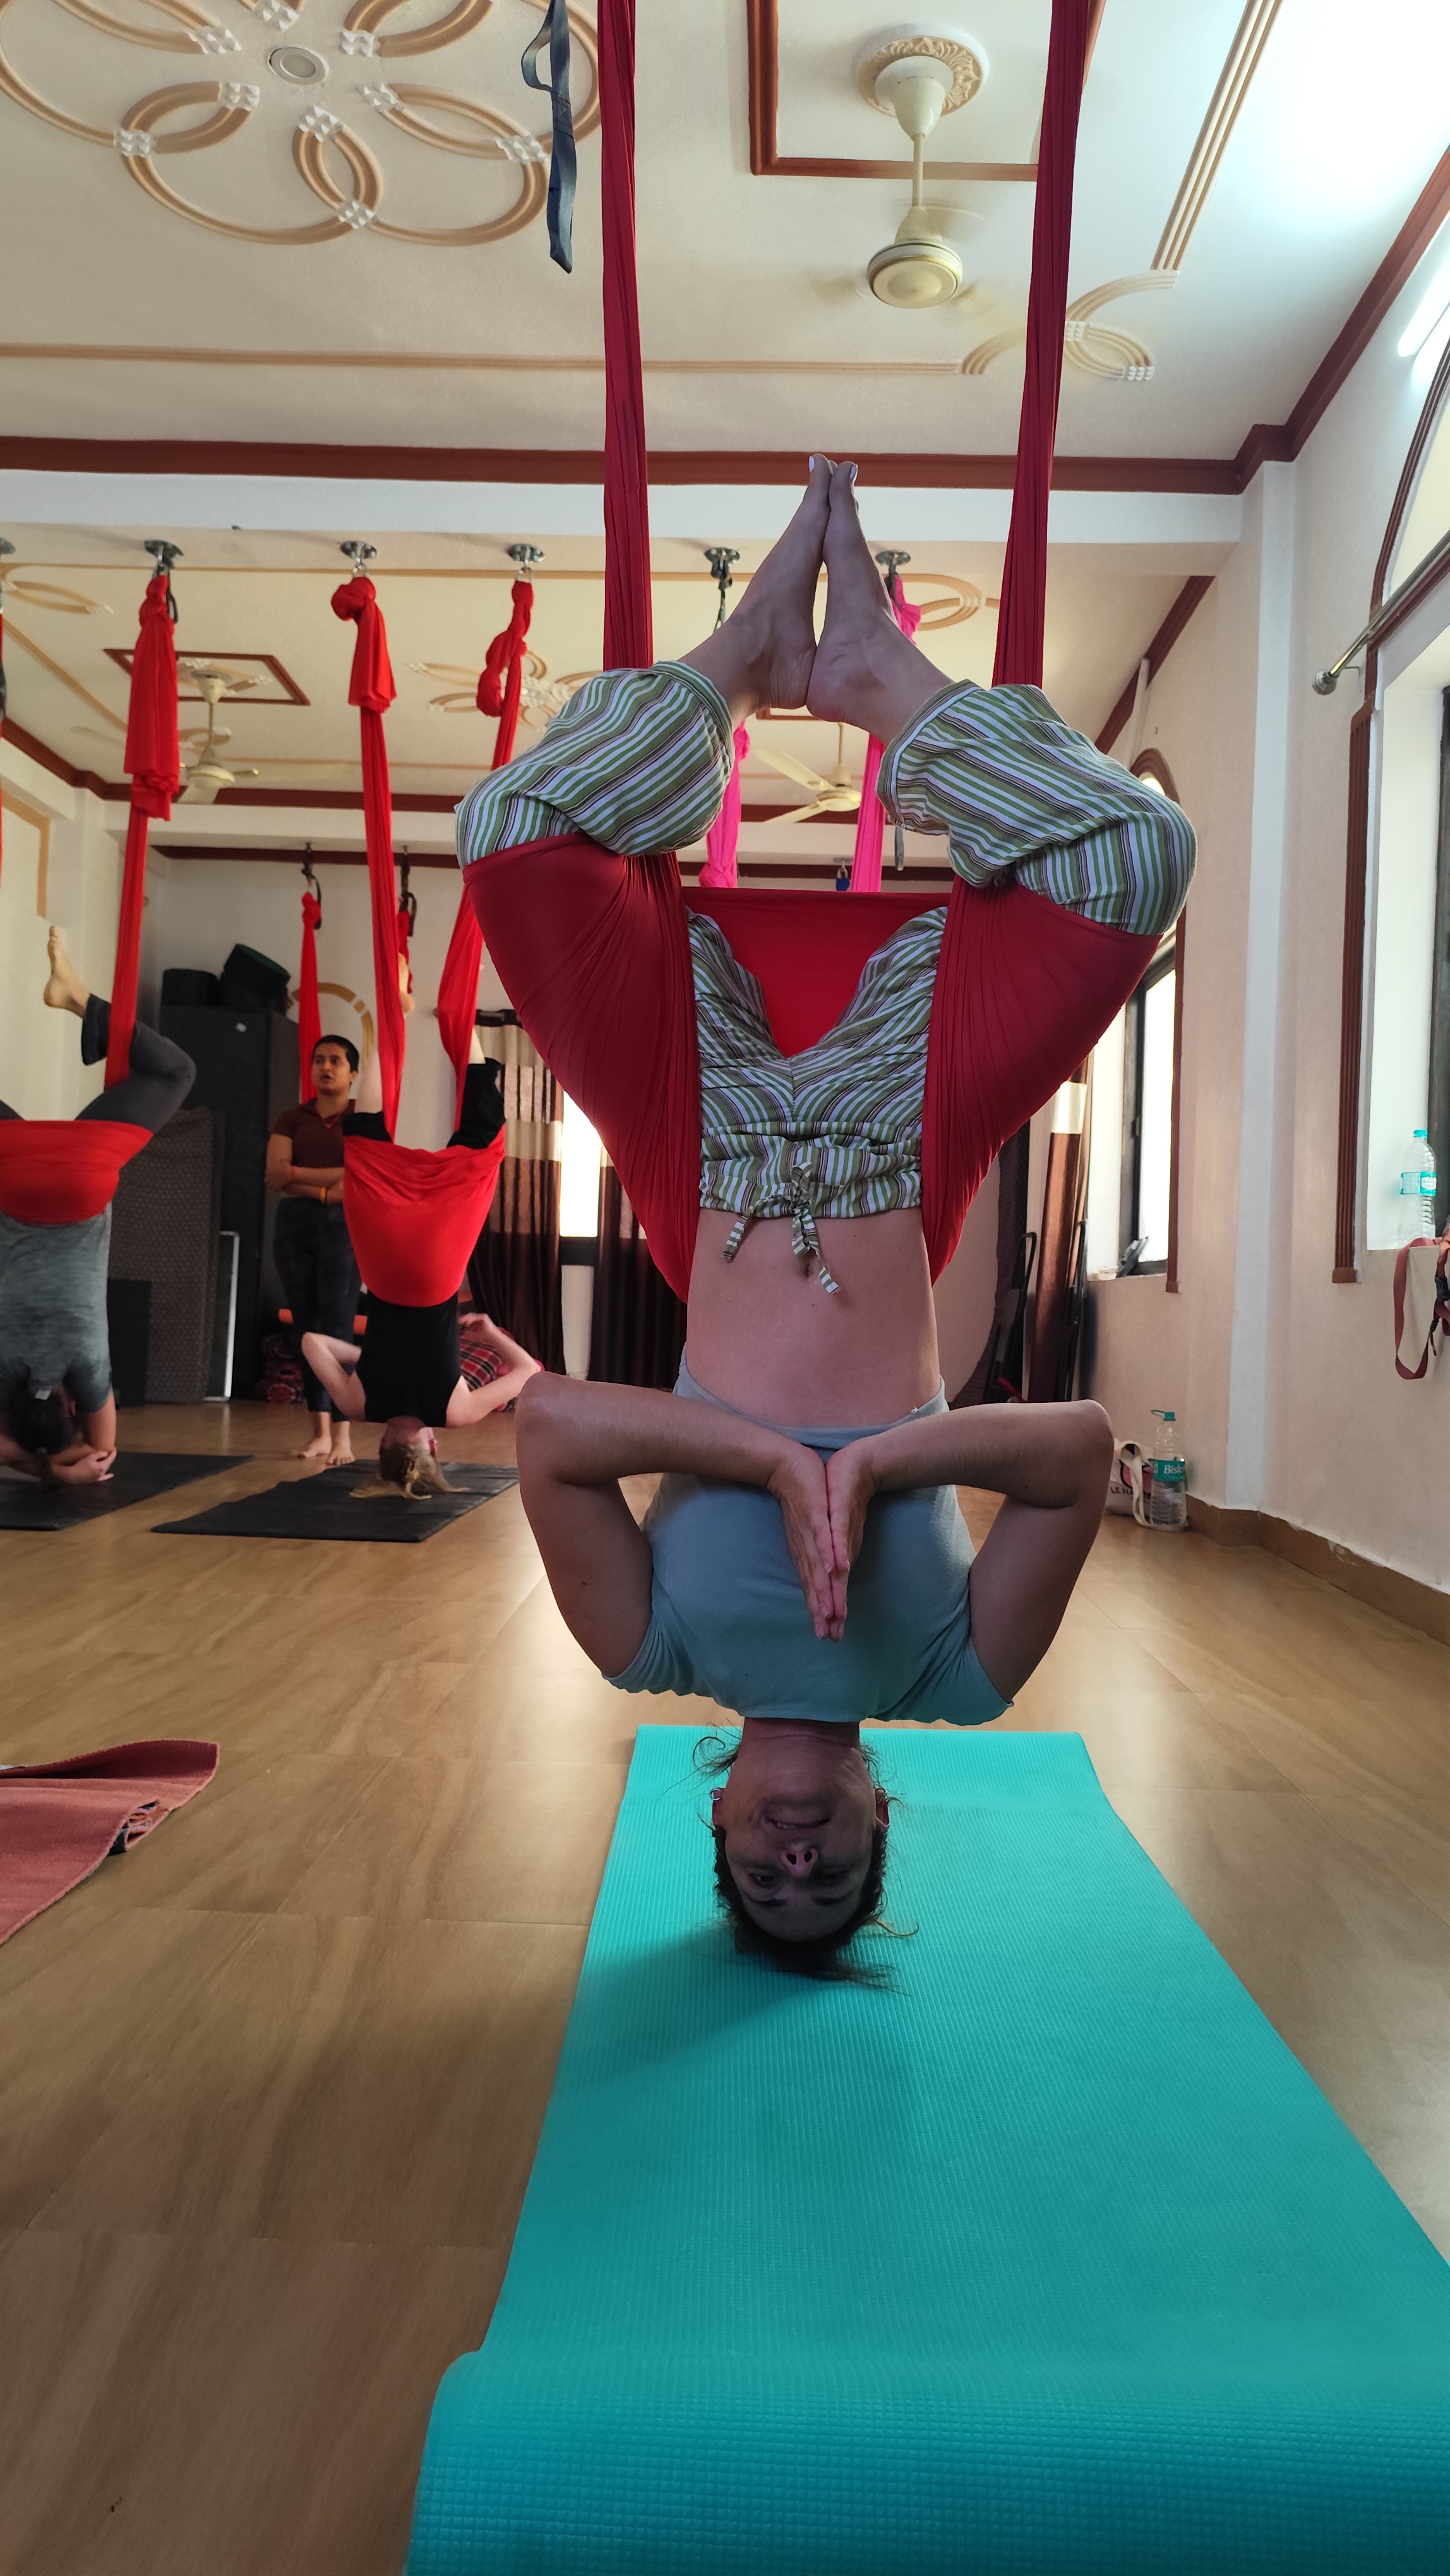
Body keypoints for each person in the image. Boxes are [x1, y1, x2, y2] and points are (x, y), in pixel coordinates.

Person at [457, 458, 1197, 1972]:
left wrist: (768, 1458)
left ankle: (733, 670)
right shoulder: (959, 1673)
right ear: (877, 1808)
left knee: (510, 832)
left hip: (701, 1140)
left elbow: (551, 1436)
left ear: (719, 1819)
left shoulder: (646, 1652)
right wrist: (870, 1465)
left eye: (768, 1875)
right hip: (902, 1132)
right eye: (836, 1869)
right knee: (1140, 855)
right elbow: (1074, 1450)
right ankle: (881, 681)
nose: (801, 1856)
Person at [301, 998, 541, 1453]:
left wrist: (489, 1332)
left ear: (431, 1447)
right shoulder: (360, 1406)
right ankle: (393, 1010)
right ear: (382, 1446)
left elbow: (530, 1372)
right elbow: (314, 1343)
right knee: (367, 1141)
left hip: (438, 1270)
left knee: (482, 1137)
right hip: (383, 1265)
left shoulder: (456, 1413)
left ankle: (461, 1016)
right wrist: (365, 1355)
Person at [0, 927, 195, 1484]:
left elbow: (103, 1450)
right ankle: (69, 995)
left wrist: (59, 1472)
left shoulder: (86, 1371)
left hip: (83, 1179)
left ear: (69, 1412)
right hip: (15, 1173)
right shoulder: (5, 1367)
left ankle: (79, 997)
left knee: (176, 1073)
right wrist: (23, 1459)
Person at [267, 1033, 362, 1462]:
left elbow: (358, 1176)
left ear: (352, 1073)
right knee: (306, 1329)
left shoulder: (364, 1118)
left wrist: (299, 1177)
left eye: (336, 1061)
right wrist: (327, 1186)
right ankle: (318, 1431)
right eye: (319, 1060)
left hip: (346, 1228)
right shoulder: (291, 1117)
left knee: (336, 1328)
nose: (326, 1067)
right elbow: (275, 1172)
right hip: (295, 1226)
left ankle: (342, 1437)